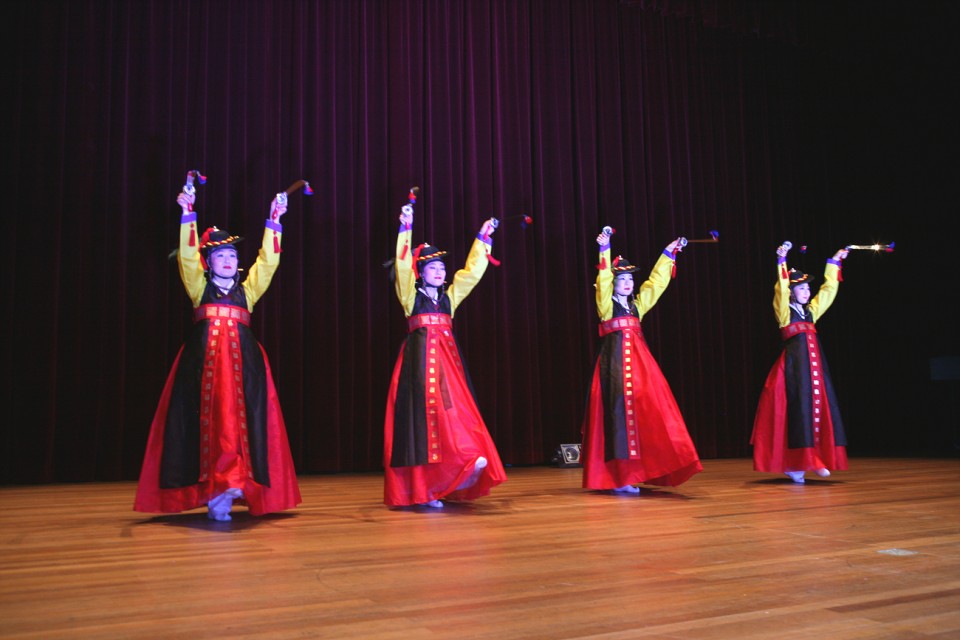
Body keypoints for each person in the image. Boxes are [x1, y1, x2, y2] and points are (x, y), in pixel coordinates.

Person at [134, 186, 302, 521]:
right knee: (211, 426)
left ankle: (236, 483)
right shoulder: (200, 288)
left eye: (233, 257)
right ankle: (215, 490)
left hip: (244, 369)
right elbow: (187, 257)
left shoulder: (247, 293)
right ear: (209, 264)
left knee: (241, 425)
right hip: (204, 369)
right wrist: (188, 214)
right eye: (220, 256)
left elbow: (268, 263)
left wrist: (275, 221)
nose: (228, 261)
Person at [382, 202, 507, 508]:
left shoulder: (449, 298)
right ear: (421, 273)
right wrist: (406, 228)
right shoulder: (411, 297)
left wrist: (483, 238)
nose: (440, 272)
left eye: (441, 268)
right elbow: (402, 267)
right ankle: (425, 489)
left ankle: (462, 465)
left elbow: (471, 274)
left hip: (448, 369)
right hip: (418, 369)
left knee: (457, 414)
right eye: (433, 268)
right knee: (424, 426)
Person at [580, 228, 702, 494]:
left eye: (629, 279)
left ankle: (643, 469)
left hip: (640, 368)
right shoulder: (606, 305)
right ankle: (619, 477)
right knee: (618, 417)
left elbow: (656, 284)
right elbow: (603, 279)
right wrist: (604, 249)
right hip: (613, 367)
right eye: (622, 279)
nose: (627, 283)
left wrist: (669, 253)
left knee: (648, 413)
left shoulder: (637, 306)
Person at [751, 243, 850, 483]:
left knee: (817, 410)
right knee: (798, 412)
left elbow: (828, 291)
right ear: (792, 292)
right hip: (794, 371)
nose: (807, 292)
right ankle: (795, 464)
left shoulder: (811, 312)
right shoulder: (785, 313)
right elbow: (781, 290)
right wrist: (782, 260)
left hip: (814, 370)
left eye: (807, 288)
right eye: (802, 288)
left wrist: (834, 261)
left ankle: (814, 459)